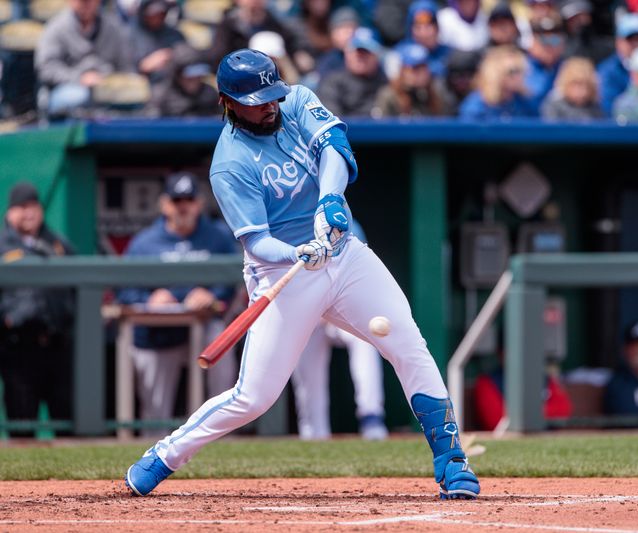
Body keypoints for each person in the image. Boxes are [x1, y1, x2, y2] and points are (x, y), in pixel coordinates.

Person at [124, 48, 480, 501]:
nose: (269, 105)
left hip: (345, 255)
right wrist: (296, 250)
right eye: (257, 100)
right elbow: (256, 242)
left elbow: (335, 147)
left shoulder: (294, 100)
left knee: (408, 343)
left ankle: (452, 460)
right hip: (282, 271)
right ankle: (166, 454)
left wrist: (330, 200)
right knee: (254, 396)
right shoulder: (228, 164)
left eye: (271, 95)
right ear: (228, 102)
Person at [116, 172, 239, 436]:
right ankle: (154, 447)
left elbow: (236, 278)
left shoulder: (218, 237)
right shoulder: (145, 242)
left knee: (221, 339)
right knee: (156, 411)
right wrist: (148, 299)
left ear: (199, 203)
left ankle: (224, 434)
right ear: (164, 204)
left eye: (189, 199)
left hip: (203, 326)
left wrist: (213, 296)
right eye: (176, 200)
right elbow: (122, 288)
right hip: (158, 332)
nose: (183, 206)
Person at [291, 221, 388, 441]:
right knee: (303, 350)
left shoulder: (347, 224)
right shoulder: (290, 225)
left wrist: (334, 308)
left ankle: (371, 417)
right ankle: (313, 429)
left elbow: (359, 277)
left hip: (343, 308)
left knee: (364, 340)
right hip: (308, 312)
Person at [0, 182, 74, 423]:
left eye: (33, 206)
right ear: (10, 212)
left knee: (66, 419)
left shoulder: (57, 243)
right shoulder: (2, 243)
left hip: (57, 344)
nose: (29, 212)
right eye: (22, 206)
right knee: (22, 421)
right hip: (17, 346)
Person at [34, 0, 135, 118]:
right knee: (80, 96)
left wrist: (111, 82)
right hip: (68, 88)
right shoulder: (56, 27)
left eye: (90, 1)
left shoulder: (113, 27)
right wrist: (80, 78)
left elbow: (126, 66)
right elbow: (46, 68)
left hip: (106, 88)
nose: (87, 4)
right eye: (82, 1)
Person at [317, 27, 388, 118]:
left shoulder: (385, 84)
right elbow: (331, 122)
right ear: (347, 53)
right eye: (357, 51)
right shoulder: (332, 83)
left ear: (377, 56)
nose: (360, 56)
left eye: (366, 52)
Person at [459, 45, 538, 119]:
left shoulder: (524, 103)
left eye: (521, 71)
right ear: (496, 73)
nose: (519, 77)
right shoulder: (476, 106)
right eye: (513, 71)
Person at [376, 43, 449, 117]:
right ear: (403, 71)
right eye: (415, 69)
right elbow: (381, 126)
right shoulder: (389, 95)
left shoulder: (435, 92)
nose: (421, 73)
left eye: (424, 68)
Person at [146, 44, 219, 117]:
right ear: (177, 75)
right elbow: (151, 124)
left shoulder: (210, 94)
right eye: (190, 77)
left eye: (198, 75)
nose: (195, 80)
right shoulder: (160, 96)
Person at [130, 0, 185, 85]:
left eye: (162, 13)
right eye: (154, 14)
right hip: (144, 84)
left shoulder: (174, 35)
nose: (158, 17)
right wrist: (143, 66)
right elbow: (123, 66)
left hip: (173, 85)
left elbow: (187, 56)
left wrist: (170, 55)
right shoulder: (130, 34)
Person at [524, 14, 567, 114]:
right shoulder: (521, 68)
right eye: (543, 40)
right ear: (533, 41)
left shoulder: (569, 70)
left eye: (554, 40)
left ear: (563, 43)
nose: (549, 46)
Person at [540, 56, 605, 120]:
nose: (582, 92)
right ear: (566, 83)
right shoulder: (553, 107)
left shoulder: (595, 109)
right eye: (577, 85)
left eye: (587, 86)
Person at [559, 0, 614, 64]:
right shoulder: (560, 48)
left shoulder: (606, 47)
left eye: (579, 17)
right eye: (571, 19)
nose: (576, 22)